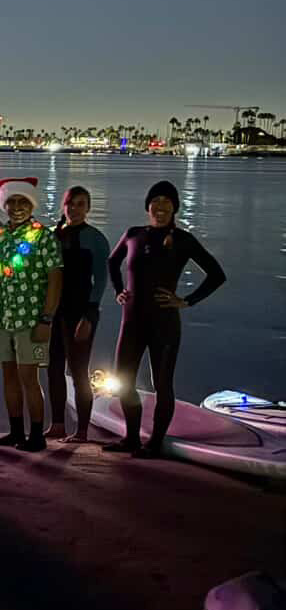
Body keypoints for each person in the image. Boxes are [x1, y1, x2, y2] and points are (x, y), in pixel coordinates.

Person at [105, 180, 226, 457]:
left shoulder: (183, 240)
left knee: (162, 385)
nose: (160, 207)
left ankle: (155, 443)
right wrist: (118, 291)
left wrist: (185, 300)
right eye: (155, 201)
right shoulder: (133, 234)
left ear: (174, 208)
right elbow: (112, 262)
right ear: (147, 206)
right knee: (123, 380)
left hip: (165, 324)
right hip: (132, 321)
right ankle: (131, 438)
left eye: (166, 202)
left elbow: (217, 274)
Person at [0, 177, 63, 452]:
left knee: (29, 378)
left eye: (23, 201)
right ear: (4, 205)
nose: (17, 207)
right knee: (8, 376)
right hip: (2, 316)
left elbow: (55, 279)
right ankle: (16, 431)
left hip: (31, 319)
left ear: (32, 204)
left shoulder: (44, 236)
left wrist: (46, 318)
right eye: (12, 201)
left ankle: (37, 434)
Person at [47, 186, 111, 442]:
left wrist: (89, 314)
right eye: (70, 204)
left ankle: (82, 430)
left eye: (81, 204)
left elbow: (101, 280)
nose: (74, 209)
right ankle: (58, 425)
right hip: (54, 311)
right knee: (53, 369)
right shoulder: (54, 235)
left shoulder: (95, 238)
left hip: (82, 312)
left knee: (78, 370)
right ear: (64, 206)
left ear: (88, 208)